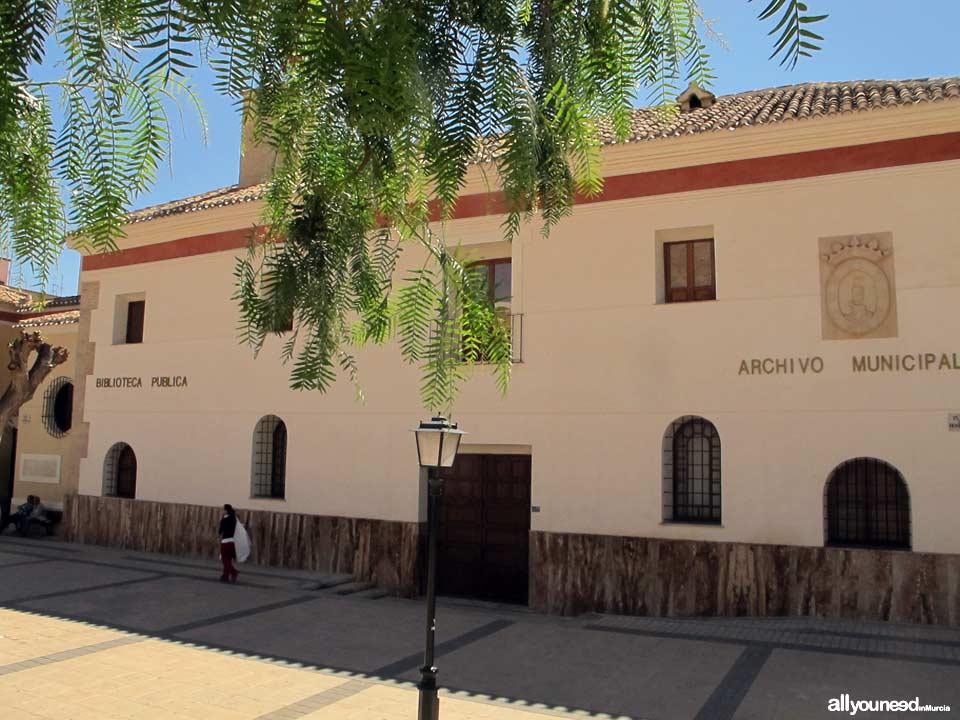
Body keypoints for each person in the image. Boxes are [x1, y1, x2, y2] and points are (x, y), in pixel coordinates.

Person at [218, 503, 239, 583]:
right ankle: (225, 575)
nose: (223, 511)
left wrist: (219, 533)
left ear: (226, 510)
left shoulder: (225, 518)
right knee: (228, 559)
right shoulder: (234, 518)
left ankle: (234, 572)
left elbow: (221, 529)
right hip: (232, 541)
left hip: (226, 541)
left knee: (224, 559)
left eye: (223, 510)